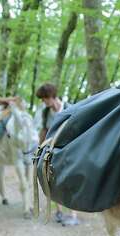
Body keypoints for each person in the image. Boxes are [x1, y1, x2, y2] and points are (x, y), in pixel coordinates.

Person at [34, 83, 79, 226]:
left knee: (70, 181)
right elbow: (44, 130)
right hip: (52, 151)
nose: (43, 102)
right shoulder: (46, 112)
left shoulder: (70, 108)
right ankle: (59, 211)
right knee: (52, 180)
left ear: (51, 96)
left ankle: (73, 214)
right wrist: (39, 149)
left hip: (69, 150)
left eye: (44, 99)